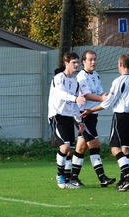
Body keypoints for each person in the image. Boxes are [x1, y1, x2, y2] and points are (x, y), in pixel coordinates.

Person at [81, 54, 129, 192]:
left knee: (115, 148)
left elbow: (107, 103)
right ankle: (123, 181)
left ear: (120, 64)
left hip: (121, 117)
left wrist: (91, 110)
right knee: (126, 149)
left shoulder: (119, 81)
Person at [71, 50, 116, 188]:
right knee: (95, 144)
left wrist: (108, 95)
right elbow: (87, 95)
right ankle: (102, 178)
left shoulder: (95, 75)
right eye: (90, 60)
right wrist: (102, 99)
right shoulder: (82, 76)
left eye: (94, 59)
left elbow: (99, 92)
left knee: (81, 147)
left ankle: (73, 178)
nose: (93, 62)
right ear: (84, 62)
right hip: (83, 115)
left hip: (92, 114)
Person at [48, 51, 86, 189]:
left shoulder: (75, 83)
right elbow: (61, 94)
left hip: (69, 117)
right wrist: (75, 98)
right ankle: (60, 176)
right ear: (66, 63)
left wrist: (79, 121)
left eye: (77, 62)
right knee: (64, 147)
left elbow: (75, 105)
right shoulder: (59, 78)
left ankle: (68, 180)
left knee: (69, 150)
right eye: (73, 62)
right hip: (57, 116)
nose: (76, 65)